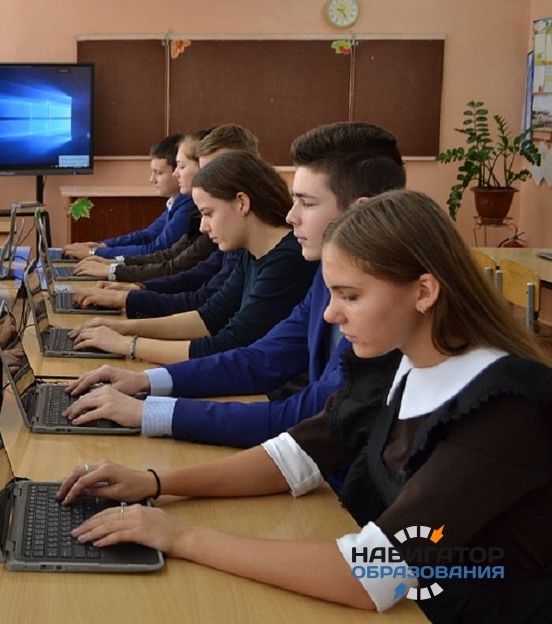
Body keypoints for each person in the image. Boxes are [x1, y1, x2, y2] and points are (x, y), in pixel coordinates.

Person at [57, 190, 552, 622]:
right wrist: (155, 482)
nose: (331, 314)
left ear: (424, 292)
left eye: (349, 296)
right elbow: (298, 453)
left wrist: (183, 538)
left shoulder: (504, 409)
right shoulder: (402, 358)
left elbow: (373, 573)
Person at [64, 122, 406, 448]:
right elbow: (257, 358)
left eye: (307, 203)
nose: (292, 216)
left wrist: (147, 403)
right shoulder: (321, 279)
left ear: (359, 212)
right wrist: (145, 381)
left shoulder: (379, 304)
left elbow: (304, 413)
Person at [69, 151, 316, 364]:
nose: (203, 227)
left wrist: (127, 344)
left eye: (208, 213)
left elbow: (230, 343)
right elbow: (209, 317)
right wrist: (122, 327)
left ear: (242, 203)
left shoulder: (288, 260)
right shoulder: (252, 253)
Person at [73, 124, 258, 281]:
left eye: (181, 166)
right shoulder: (188, 206)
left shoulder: (194, 208)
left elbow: (179, 269)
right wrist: (104, 253)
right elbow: (161, 247)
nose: (176, 173)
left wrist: (112, 269)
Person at [61, 134, 191, 260]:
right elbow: (147, 235)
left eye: (159, 173)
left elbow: (156, 249)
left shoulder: (188, 205)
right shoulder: (176, 201)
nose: (152, 180)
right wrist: (103, 245)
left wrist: (94, 253)